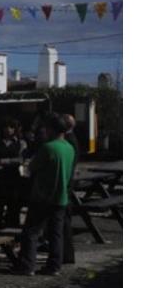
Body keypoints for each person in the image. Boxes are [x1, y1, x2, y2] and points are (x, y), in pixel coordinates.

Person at [12, 113, 75, 276]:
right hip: (61, 197)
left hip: (42, 196)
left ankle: (27, 265)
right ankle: (54, 265)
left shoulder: (48, 148)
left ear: (51, 129)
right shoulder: (69, 148)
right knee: (56, 233)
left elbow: (30, 168)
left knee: (31, 232)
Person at [0, 119, 26, 228]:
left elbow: (21, 159)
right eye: (5, 127)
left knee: (14, 206)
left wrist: (3, 161)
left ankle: (13, 230)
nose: (8, 130)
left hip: (13, 177)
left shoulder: (20, 143)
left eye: (11, 127)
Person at [60, 113, 80, 264]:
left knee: (63, 221)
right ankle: (64, 253)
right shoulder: (71, 141)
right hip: (68, 182)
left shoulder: (68, 142)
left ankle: (65, 254)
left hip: (65, 185)